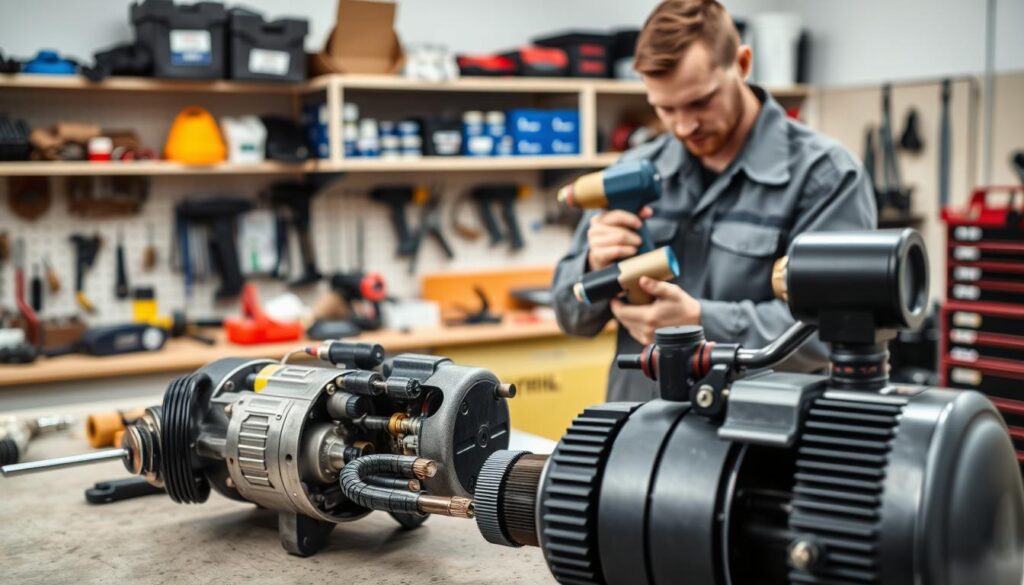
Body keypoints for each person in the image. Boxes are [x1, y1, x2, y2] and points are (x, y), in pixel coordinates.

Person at [552, 0, 877, 402]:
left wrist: (702, 322)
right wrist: (594, 265)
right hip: (637, 424)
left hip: (753, 428)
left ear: (742, 64)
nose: (684, 125)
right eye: (665, 108)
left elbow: (839, 329)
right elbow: (569, 315)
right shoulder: (631, 173)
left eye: (700, 102)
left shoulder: (826, 176)